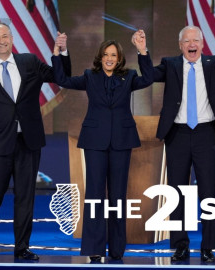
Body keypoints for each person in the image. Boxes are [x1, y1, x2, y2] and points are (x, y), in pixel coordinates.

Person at [0, 22, 71, 261]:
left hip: (28, 141)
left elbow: (59, 76)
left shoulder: (29, 62)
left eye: (5, 36)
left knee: (26, 197)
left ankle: (21, 247)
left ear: (12, 38)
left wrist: (61, 52)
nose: (2, 41)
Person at [153, 24, 215, 262]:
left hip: (207, 134)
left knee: (209, 193)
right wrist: (142, 51)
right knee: (178, 193)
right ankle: (180, 245)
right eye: (186, 41)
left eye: (195, 40)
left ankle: (208, 246)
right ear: (180, 46)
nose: (191, 45)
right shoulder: (171, 64)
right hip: (177, 134)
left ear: (202, 43)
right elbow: (149, 74)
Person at [51, 30, 153, 261]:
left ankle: (117, 249)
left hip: (121, 142)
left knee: (118, 196)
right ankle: (95, 249)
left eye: (114, 55)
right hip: (95, 142)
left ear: (119, 59)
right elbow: (63, 80)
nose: (109, 58)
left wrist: (143, 50)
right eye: (106, 54)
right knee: (95, 195)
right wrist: (60, 53)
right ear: (100, 57)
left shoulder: (129, 76)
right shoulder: (90, 76)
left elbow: (149, 79)